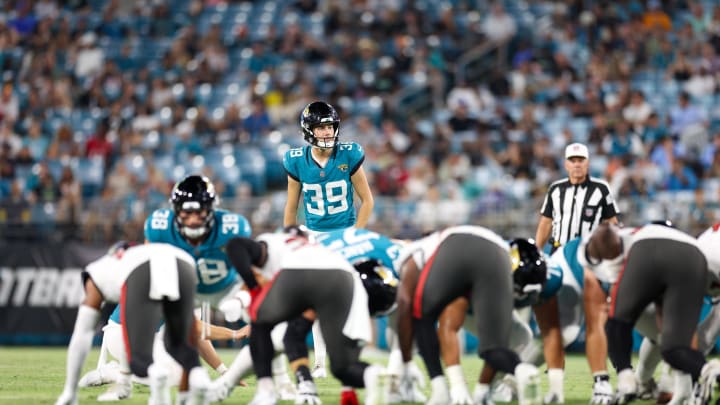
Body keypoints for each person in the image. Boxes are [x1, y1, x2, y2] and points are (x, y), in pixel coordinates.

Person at [223, 226, 386, 405]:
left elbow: (235, 245)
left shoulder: (275, 242)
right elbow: (294, 336)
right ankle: (374, 375)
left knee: (260, 323)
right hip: (344, 279)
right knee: (342, 368)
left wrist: (252, 285)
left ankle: (266, 391)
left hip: (298, 272)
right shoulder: (323, 250)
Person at [395, 225, 544, 405]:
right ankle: (522, 371)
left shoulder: (411, 254)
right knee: (494, 348)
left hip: (455, 244)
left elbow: (406, 306)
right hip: (499, 253)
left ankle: (440, 390)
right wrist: (480, 390)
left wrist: (406, 362)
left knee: (421, 318)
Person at [283, 101, 375, 378]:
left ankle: (352, 353)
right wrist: (290, 238)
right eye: (321, 127)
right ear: (309, 130)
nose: (326, 132)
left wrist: (355, 234)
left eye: (330, 126)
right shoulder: (296, 159)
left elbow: (367, 200)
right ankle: (321, 362)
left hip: (346, 233)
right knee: (314, 302)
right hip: (314, 237)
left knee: (356, 296)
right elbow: (291, 207)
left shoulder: (350, 153)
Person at [282, 227, 426, 404]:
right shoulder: (320, 270)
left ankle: (398, 382)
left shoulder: (400, 260)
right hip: (306, 262)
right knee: (282, 332)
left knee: (408, 316)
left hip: (354, 263)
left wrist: (406, 363)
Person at [55, 242, 211, 405]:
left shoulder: (102, 274)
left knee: (168, 364)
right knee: (148, 364)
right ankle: (113, 373)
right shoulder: (102, 275)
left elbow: (83, 332)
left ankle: (134, 377)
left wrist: (70, 391)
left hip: (149, 320)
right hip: (123, 331)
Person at [580, 222, 720, 404]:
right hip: (694, 258)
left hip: (668, 252)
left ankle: (628, 381)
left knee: (618, 323)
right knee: (675, 347)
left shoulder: (632, 243)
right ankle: (708, 373)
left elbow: (605, 233)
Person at [534, 142, 620, 404]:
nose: (577, 164)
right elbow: (545, 225)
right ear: (565, 163)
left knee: (599, 320)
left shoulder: (601, 189)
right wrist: (536, 253)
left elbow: (613, 226)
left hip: (591, 261)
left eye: (581, 159)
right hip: (560, 257)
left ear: (588, 162)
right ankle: (546, 377)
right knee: (553, 323)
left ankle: (611, 377)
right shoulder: (555, 190)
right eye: (572, 159)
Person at [437, 238, 566, 404]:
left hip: (496, 293)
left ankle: (495, 387)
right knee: (512, 339)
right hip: (470, 304)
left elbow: (551, 331)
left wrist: (556, 387)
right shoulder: (479, 274)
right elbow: (451, 329)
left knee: (522, 338)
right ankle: (488, 389)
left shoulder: (550, 277)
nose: (524, 297)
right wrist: (458, 385)